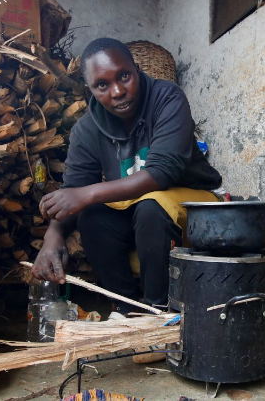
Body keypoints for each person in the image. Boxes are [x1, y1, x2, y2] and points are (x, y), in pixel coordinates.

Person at [31, 38, 222, 315]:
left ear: (137, 69)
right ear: (90, 91)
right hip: (141, 210)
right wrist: (53, 238)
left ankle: (159, 311)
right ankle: (129, 309)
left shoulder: (167, 98)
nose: (118, 91)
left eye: (124, 76)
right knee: (93, 216)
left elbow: (162, 173)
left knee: (152, 206)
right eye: (102, 85)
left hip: (196, 206)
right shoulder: (87, 130)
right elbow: (74, 192)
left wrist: (87, 194)